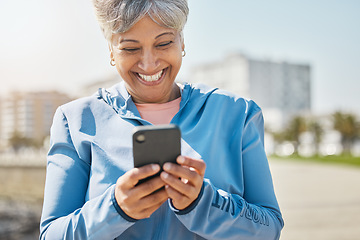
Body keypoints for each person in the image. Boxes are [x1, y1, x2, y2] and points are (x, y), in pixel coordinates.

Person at [39, 0, 284, 239]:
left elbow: (269, 229)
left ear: (182, 41)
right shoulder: (75, 121)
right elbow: (51, 235)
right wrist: (115, 209)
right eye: (130, 48)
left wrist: (203, 203)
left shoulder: (237, 114)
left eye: (164, 43)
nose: (149, 63)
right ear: (111, 50)